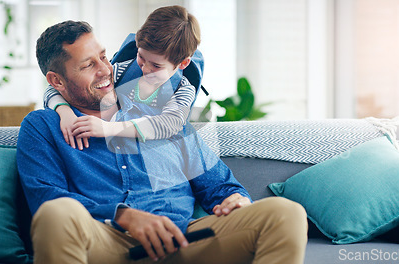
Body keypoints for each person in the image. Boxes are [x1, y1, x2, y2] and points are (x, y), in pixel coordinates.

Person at [17, 20, 308, 264]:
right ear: (56, 81)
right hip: (108, 242)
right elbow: (47, 197)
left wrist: (234, 200)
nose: (105, 70)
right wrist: (126, 216)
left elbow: (220, 186)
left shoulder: (162, 113)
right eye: (88, 66)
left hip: (184, 240)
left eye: (104, 57)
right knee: (56, 214)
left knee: (286, 213)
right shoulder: (43, 127)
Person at [44, 6, 202, 150]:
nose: (145, 69)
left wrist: (108, 128)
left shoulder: (182, 90)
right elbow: (55, 88)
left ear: (183, 63)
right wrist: (65, 113)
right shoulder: (124, 71)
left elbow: (169, 124)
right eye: (141, 56)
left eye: (156, 66)